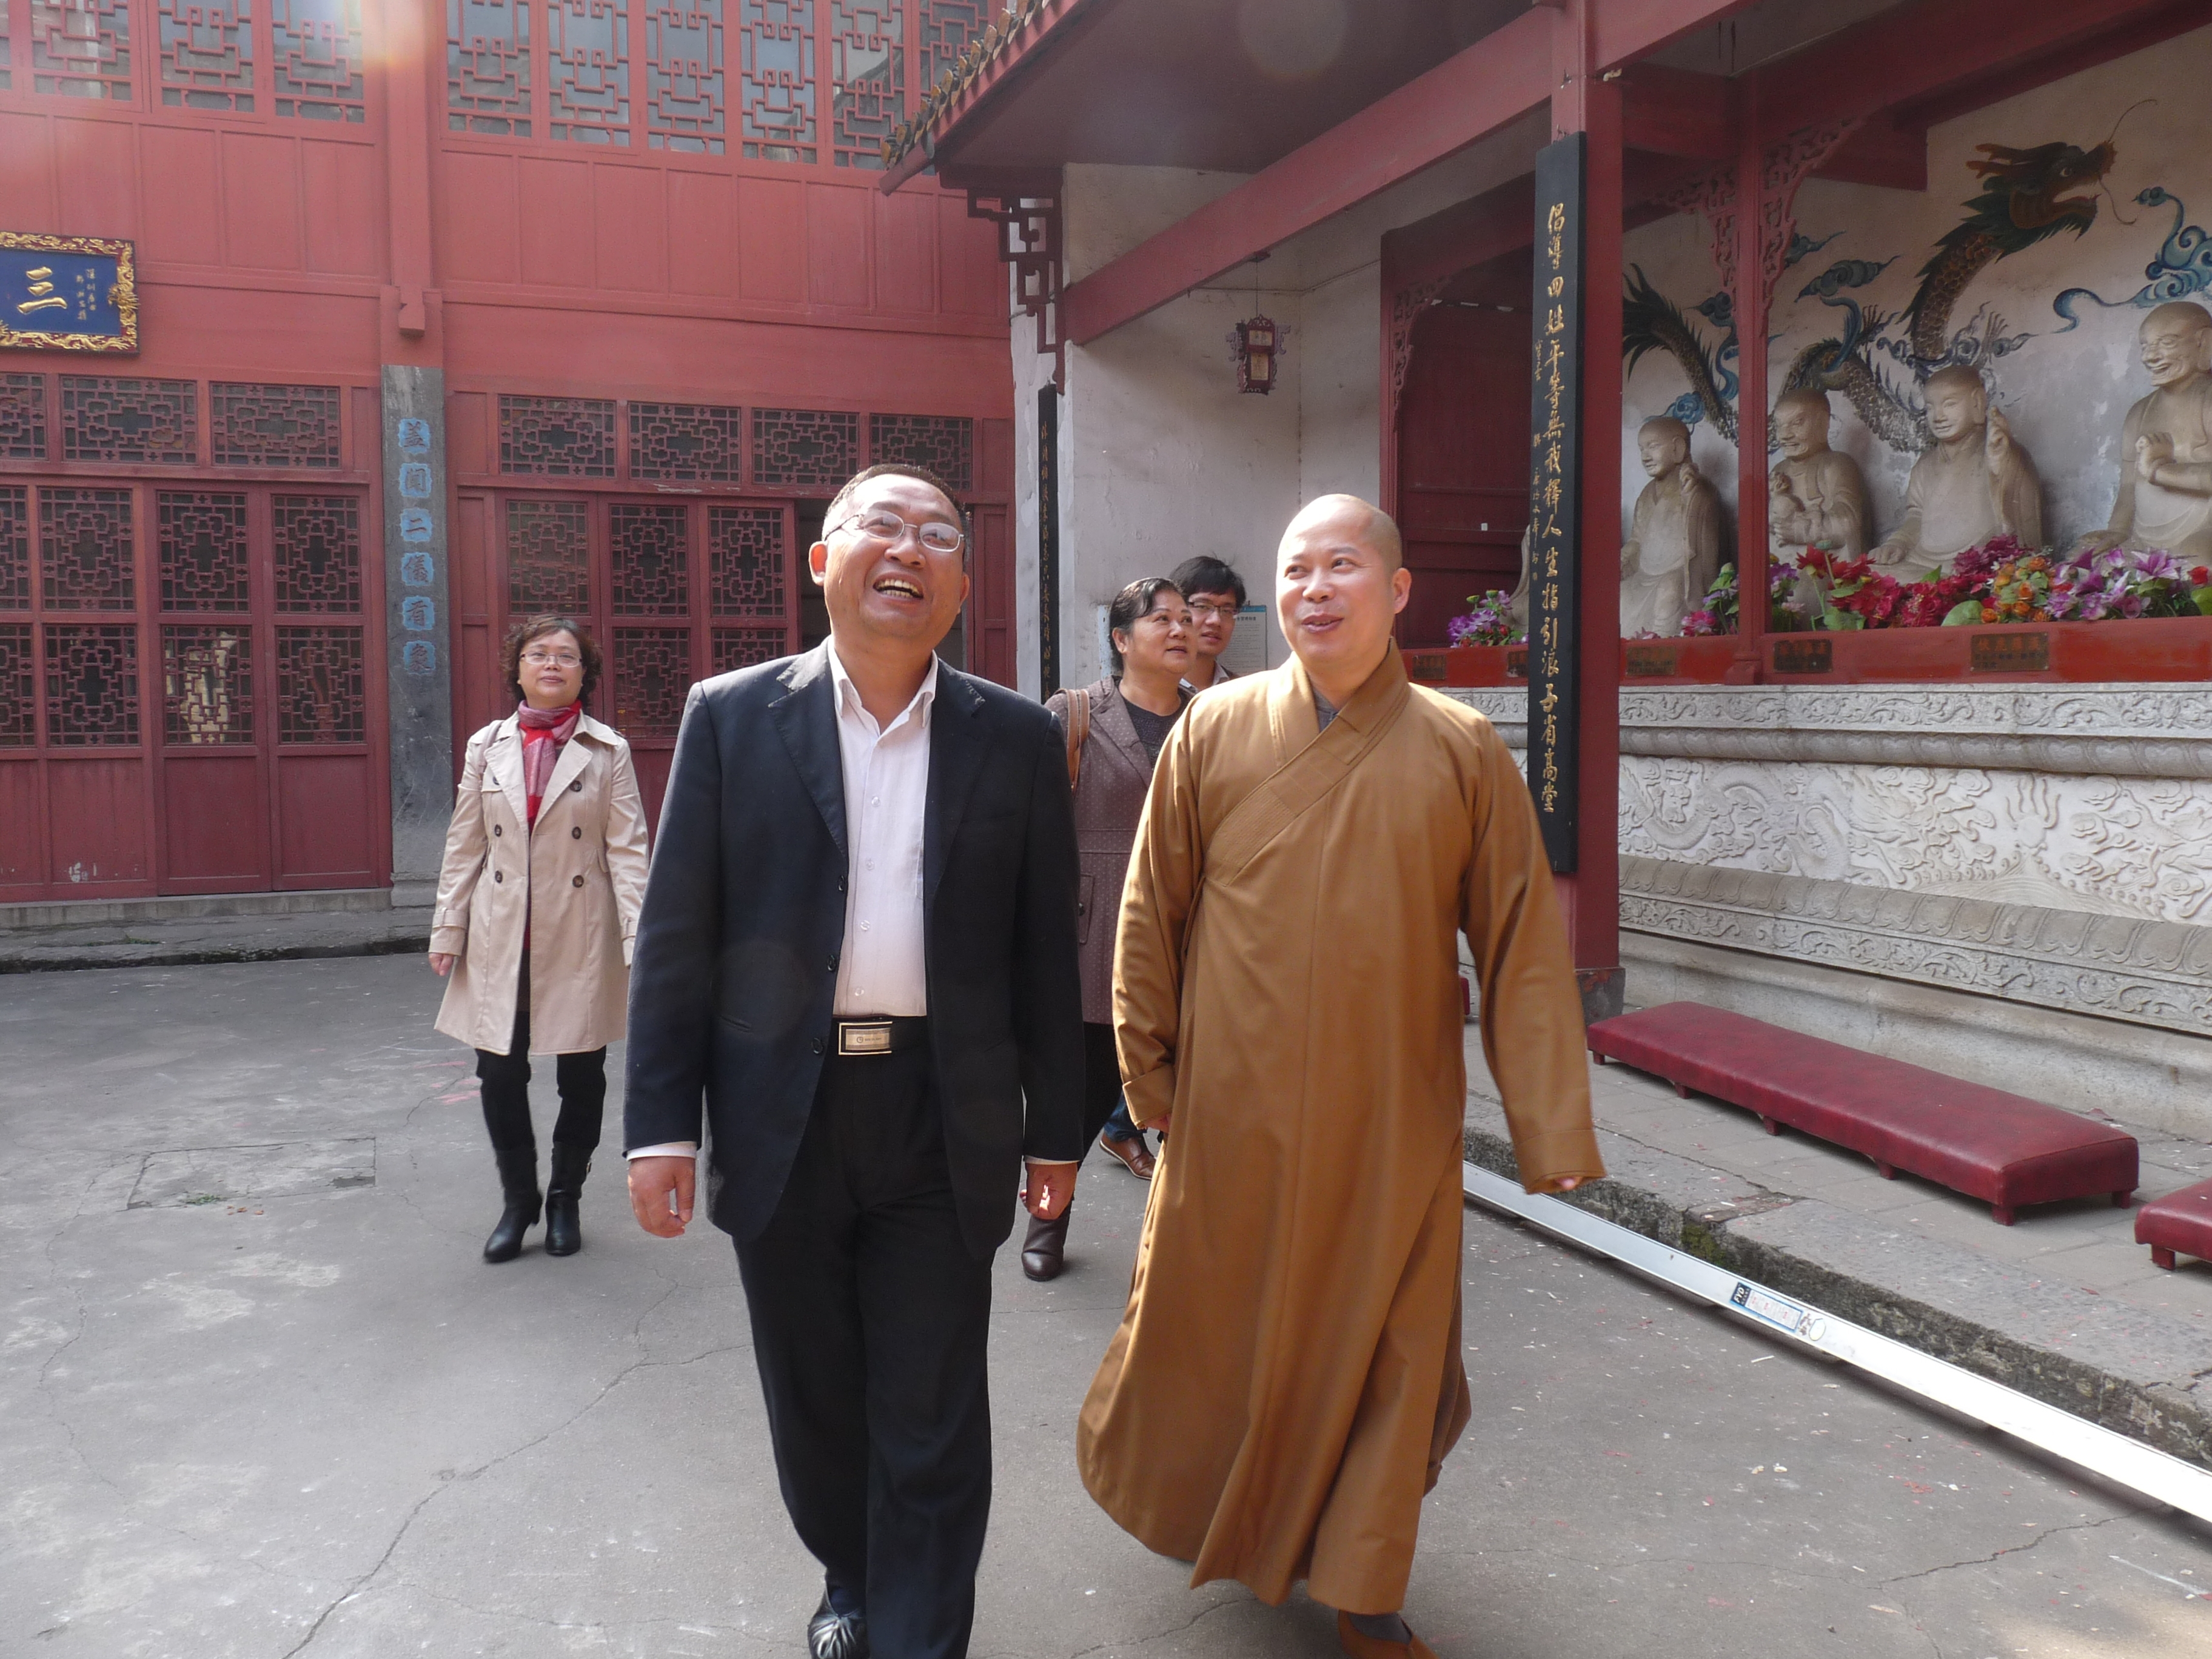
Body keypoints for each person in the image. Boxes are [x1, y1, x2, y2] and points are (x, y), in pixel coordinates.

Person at [1078, 495, 1603, 1659]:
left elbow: (1517, 941)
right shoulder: (1213, 729)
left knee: (1389, 1350)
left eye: (1341, 566)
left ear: (1397, 589)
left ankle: (1363, 1580)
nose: (1313, 589)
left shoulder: (1459, 747)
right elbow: (1150, 912)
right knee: (1216, 1336)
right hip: (1230, 1110)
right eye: (1294, 569)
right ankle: (1219, 1513)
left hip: (1391, 1117)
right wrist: (1148, 1077)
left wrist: (1549, 1124)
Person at [623, 463, 1086, 1659]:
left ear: (961, 587)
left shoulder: (1016, 737)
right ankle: (852, 1574)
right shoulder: (732, 717)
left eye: (939, 534)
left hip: (945, 1113)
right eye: (882, 525)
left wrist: (1055, 1130)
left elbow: (1045, 950)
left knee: (931, 1406)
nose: (910, 549)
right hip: (786, 1111)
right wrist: (661, 1126)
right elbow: (678, 938)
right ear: (824, 562)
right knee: (816, 1396)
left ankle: (918, 1636)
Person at [429, 616, 649, 1263]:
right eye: (538, 654)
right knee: (499, 1072)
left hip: (579, 932)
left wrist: (640, 938)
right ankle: (518, 1200)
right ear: (518, 670)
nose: (551, 664)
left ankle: (564, 1200)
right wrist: (449, 926)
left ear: (585, 674)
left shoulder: (608, 751)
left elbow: (628, 850)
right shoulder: (487, 746)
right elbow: (465, 842)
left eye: (566, 656)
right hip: (501, 935)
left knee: (582, 1074)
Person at [1027, 577, 1194, 1281]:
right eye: (1162, 619)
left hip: (1189, 931)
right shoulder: (1074, 716)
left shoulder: (1214, 716)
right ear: (1122, 639)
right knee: (1074, 1098)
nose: (1181, 629)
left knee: (1194, 1097)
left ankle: (1191, 1240)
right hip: (1095, 935)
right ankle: (1045, 1220)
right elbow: (1034, 832)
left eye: (1186, 618)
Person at [1168, 554, 1246, 690]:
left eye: (1227, 610)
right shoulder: (1144, 691)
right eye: (1202, 606)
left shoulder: (1242, 692)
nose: (1216, 621)